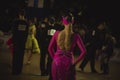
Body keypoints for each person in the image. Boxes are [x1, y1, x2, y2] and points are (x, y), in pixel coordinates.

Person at [48, 11, 86, 80]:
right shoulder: (76, 36)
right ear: (72, 21)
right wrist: (74, 64)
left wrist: (55, 58)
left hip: (57, 62)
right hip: (69, 64)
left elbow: (50, 48)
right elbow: (84, 51)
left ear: (63, 21)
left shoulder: (56, 33)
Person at [12, 9, 29, 75]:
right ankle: (19, 71)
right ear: (24, 15)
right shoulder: (26, 23)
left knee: (15, 56)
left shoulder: (15, 22)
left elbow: (14, 32)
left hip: (16, 42)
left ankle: (14, 70)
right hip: (22, 42)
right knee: (21, 57)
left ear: (19, 14)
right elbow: (26, 33)